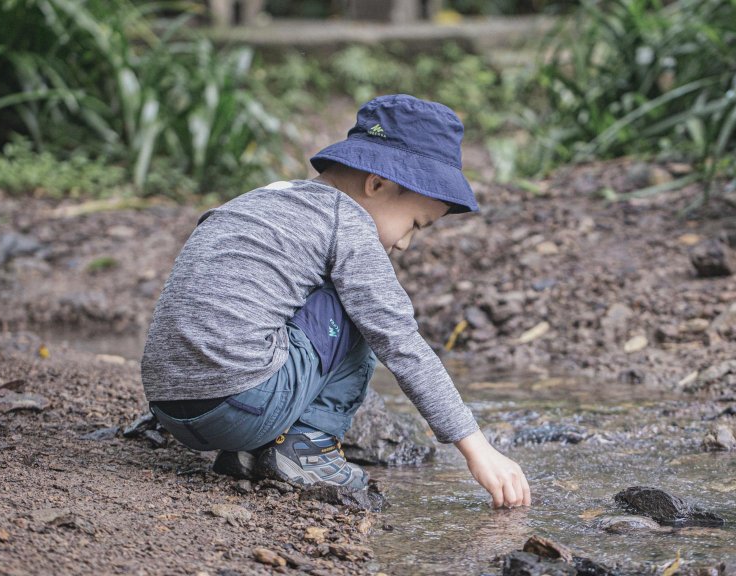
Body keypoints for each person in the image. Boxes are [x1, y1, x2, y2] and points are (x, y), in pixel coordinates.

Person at [140, 94, 531, 508]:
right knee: (367, 309)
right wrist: (477, 448)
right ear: (376, 184)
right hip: (243, 405)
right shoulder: (348, 221)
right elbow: (400, 342)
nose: (404, 243)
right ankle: (307, 447)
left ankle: (248, 450)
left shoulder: (256, 201)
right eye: (415, 224)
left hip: (170, 406)